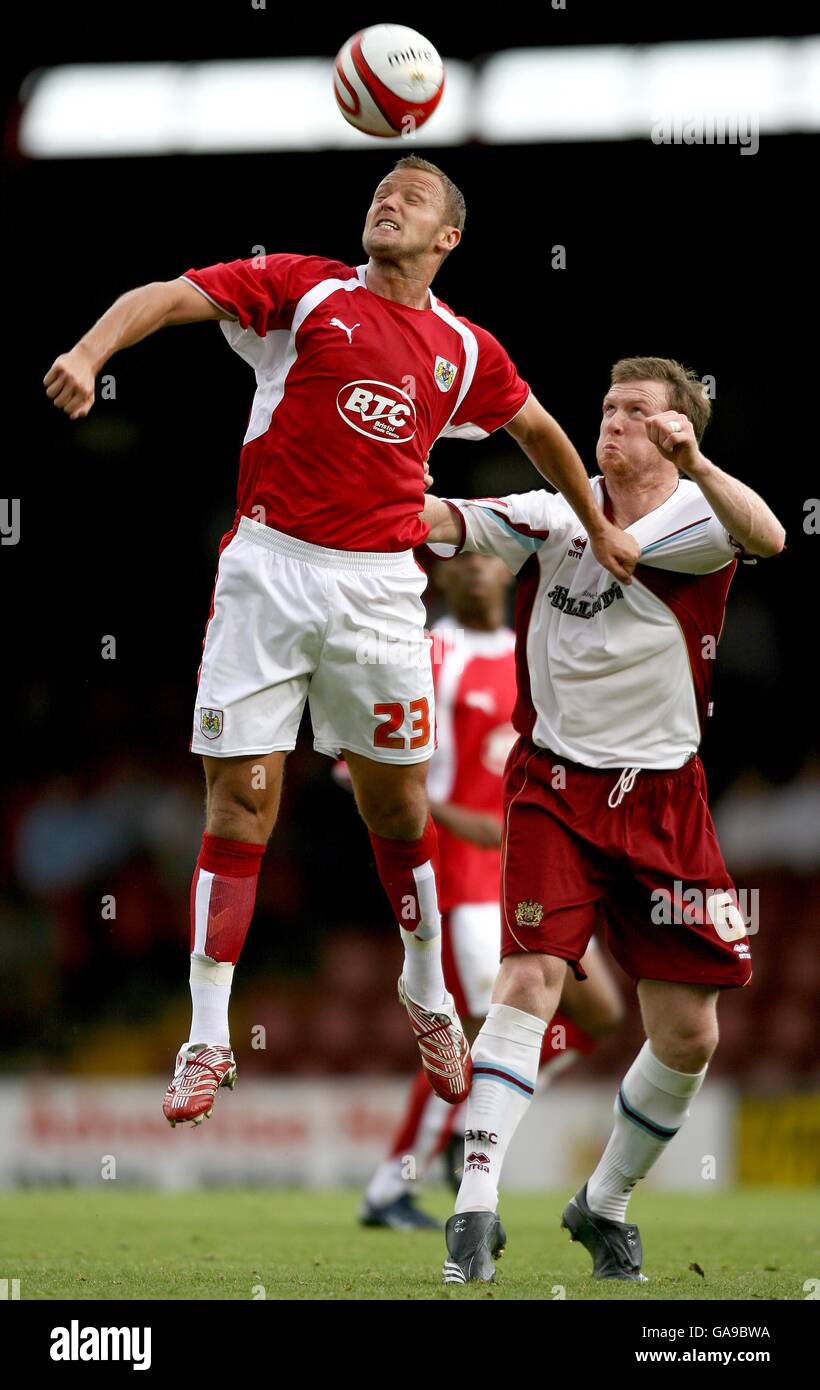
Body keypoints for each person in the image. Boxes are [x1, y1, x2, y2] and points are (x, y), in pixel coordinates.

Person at [43, 156, 638, 1128]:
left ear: (447, 238)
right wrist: (90, 352)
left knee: (396, 807)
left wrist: (599, 521)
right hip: (267, 571)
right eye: (380, 192)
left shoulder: (460, 348)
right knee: (240, 801)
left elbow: (537, 429)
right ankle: (207, 1036)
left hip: (376, 589)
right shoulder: (301, 285)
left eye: (413, 197)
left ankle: (425, 992)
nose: (388, 201)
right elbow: (163, 294)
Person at [421, 356, 786, 1283]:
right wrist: (366, 499)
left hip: (666, 804)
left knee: (689, 1033)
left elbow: (772, 537)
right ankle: (474, 1205)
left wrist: (700, 464)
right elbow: (450, 523)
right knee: (532, 976)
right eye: (607, 407)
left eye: (636, 411)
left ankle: (604, 1203)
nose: (612, 421)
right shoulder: (558, 511)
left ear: (676, 431)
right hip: (553, 791)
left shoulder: (698, 520)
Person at [359, 551, 625, 1230]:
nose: (475, 570)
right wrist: (453, 820)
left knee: (599, 1014)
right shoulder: (422, 651)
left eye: (488, 558)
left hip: (534, 868)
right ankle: (392, 1185)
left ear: (511, 571)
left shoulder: (534, 651)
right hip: (460, 879)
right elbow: (370, 770)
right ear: (440, 575)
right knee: (475, 1030)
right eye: (460, 560)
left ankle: (464, 1120)